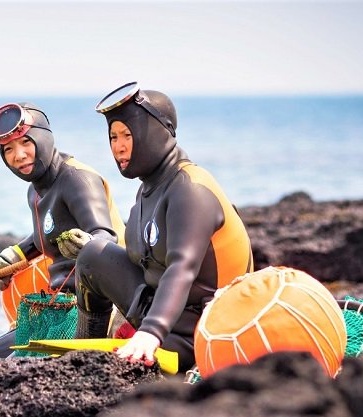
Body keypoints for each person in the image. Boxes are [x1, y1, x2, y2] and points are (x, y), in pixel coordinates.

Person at [73, 82, 253, 373]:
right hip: (162, 310)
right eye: (113, 136)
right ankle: (84, 347)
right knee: (93, 255)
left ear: (156, 132)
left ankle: (137, 343)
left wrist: (149, 333)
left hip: (204, 331)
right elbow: (138, 259)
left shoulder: (190, 187)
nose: (119, 146)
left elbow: (182, 267)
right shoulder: (148, 189)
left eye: (128, 135)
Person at [0, 101, 124, 366]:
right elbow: (46, 234)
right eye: (8, 149)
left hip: (100, 312)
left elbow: (105, 237)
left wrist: (88, 244)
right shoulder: (35, 189)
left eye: (25, 143)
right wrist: (10, 258)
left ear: (43, 139)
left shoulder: (77, 179)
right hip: (58, 310)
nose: (18, 155)